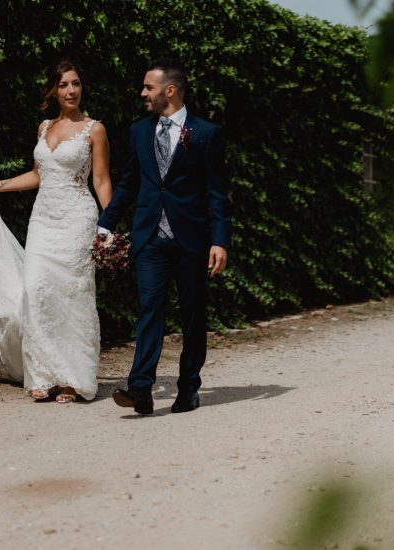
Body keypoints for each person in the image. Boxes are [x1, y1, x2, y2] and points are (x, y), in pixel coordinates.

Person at [0, 60, 112, 403]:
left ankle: (72, 379)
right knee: (35, 290)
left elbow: (100, 180)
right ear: (53, 90)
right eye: (64, 85)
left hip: (77, 219)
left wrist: (109, 225)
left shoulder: (94, 129)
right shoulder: (44, 127)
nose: (71, 91)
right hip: (43, 221)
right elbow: (39, 175)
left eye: (76, 84)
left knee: (72, 296)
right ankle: (42, 374)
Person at [97, 59, 232, 415]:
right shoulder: (139, 131)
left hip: (192, 240)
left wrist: (220, 240)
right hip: (151, 238)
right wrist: (105, 223)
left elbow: (217, 193)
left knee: (192, 316)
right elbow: (128, 183)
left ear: (169, 91)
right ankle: (141, 389)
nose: (142, 93)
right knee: (150, 310)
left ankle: (189, 388)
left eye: (148, 87)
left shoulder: (206, 133)